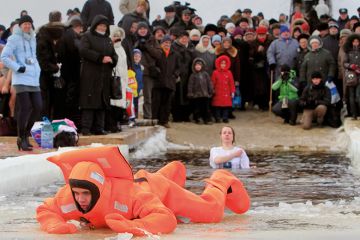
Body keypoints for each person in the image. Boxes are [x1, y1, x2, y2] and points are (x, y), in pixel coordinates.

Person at [36, 146, 251, 235]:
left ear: (98, 191)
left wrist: (132, 226)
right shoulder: (69, 197)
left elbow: (167, 219)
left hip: (158, 191)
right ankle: (175, 170)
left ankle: (220, 180)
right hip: (142, 181)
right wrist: (54, 224)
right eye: (78, 194)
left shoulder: (128, 197)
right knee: (158, 177)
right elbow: (45, 210)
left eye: (86, 194)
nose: (81, 200)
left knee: (212, 213)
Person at [1, 15, 42, 150]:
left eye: (29, 24)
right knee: (25, 107)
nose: (27, 26)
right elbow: (4, 57)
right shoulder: (13, 39)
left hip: (33, 77)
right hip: (21, 77)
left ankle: (25, 134)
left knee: (38, 106)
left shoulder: (33, 38)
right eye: (24, 24)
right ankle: (21, 137)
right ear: (20, 26)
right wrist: (18, 67)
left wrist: (37, 68)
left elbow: (33, 56)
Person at [79, 15, 118, 135]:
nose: (103, 28)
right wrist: (100, 58)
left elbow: (114, 54)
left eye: (105, 26)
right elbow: (83, 51)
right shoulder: (87, 36)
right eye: (101, 25)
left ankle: (99, 128)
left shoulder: (107, 39)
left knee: (102, 102)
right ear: (95, 25)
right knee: (90, 102)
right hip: (90, 75)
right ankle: (86, 128)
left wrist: (112, 59)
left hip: (104, 75)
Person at [187, 58, 213, 124]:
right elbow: (190, 85)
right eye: (196, 65)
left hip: (205, 94)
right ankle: (198, 118)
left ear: (202, 66)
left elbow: (209, 83)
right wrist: (190, 93)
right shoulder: (193, 75)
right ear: (194, 66)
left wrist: (211, 91)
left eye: (199, 65)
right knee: (197, 108)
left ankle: (207, 119)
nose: (198, 67)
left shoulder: (205, 74)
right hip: (196, 95)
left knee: (206, 108)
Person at [211, 55, 235, 123]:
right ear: (219, 64)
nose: (223, 65)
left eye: (224, 63)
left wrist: (232, 91)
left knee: (226, 107)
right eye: (222, 63)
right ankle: (217, 118)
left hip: (226, 93)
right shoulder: (215, 72)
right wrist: (212, 90)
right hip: (217, 93)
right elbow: (212, 82)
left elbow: (231, 83)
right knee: (217, 107)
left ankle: (225, 117)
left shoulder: (229, 73)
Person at [343, 33, 360, 120]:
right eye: (354, 42)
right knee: (351, 96)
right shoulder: (348, 52)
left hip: (359, 76)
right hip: (351, 76)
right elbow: (344, 63)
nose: (356, 43)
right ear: (351, 42)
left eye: (357, 41)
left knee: (358, 95)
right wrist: (351, 66)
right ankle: (354, 114)